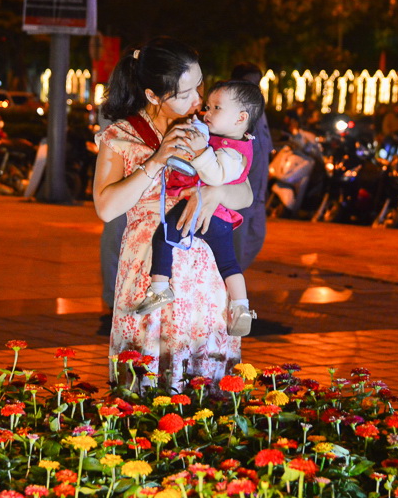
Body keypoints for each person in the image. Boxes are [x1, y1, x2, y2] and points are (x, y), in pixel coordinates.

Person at [92, 37, 253, 392]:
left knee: (206, 384)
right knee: (145, 383)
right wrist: (157, 160)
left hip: (205, 274)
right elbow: (106, 208)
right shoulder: (121, 136)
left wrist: (217, 190)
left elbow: (246, 194)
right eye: (185, 93)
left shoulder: (211, 128)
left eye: (199, 86)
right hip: (149, 272)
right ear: (153, 95)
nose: (198, 101)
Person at [133, 80, 264, 337]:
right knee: (229, 265)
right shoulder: (225, 140)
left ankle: (160, 287)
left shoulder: (234, 152)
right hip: (221, 220)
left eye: (216, 108)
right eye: (208, 106)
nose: (207, 112)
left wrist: (199, 150)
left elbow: (215, 176)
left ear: (241, 118)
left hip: (203, 212)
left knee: (164, 236)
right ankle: (240, 306)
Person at [229, 63, 271, 271]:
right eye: (250, 83)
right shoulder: (232, 113)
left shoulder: (260, 112)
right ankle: (227, 286)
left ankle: (230, 279)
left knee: (256, 238)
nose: (256, 87)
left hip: (259, 192)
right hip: (240, 195)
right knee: (237, 242)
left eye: (258, 83)